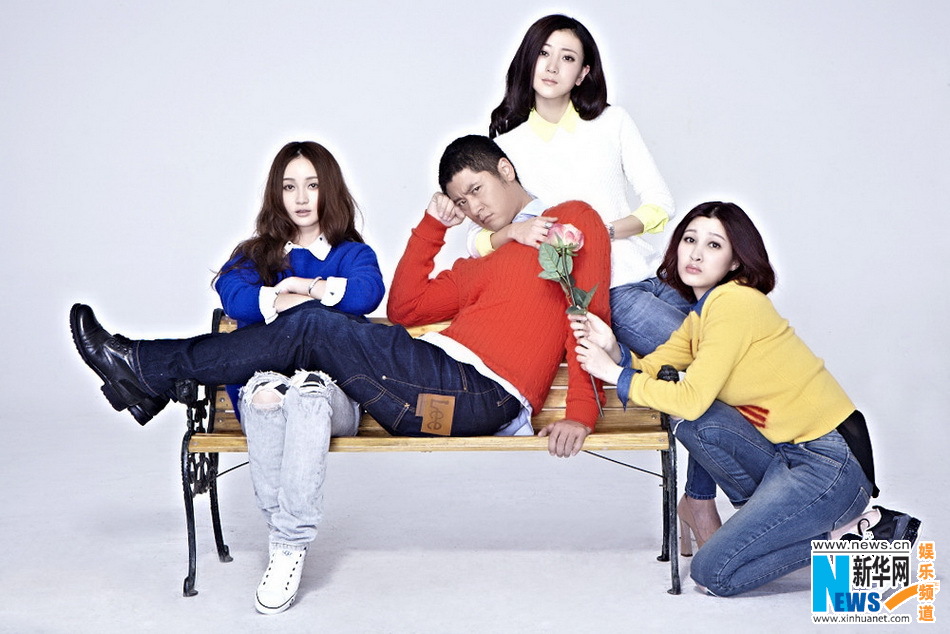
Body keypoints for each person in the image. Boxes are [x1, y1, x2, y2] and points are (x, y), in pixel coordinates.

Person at [70, 135, 611, 605]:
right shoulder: (486, 261)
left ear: (506, 170)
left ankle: (145, 370)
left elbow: (589, 316)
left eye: (477, 190)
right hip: (429, 385)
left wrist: (582, 413)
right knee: (313, 325)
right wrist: (433, 226)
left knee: (312, 323)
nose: (473, 208)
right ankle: (147, 375)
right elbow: (406, 308)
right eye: (461, 201)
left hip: (478, 396)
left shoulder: (573, 221)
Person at [569, 201, 920, 596]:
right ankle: (783, 527)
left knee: (713, 573)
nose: (696, 253)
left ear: (735, 261)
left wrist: (614, 374)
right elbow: (657, 367)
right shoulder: (703, 314)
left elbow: (690, 398)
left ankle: (854, 537)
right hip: (787, 455)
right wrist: (614, 350)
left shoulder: (735, 303)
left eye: (714, 245)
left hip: (829, 465)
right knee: (697, 426)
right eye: (689, 240)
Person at [475, 12, 730, 543]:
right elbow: (478, 240)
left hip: (655, 276)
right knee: (710, 366)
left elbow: (659, 205)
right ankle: (701, 504)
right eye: (544, 53)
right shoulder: (508, 148)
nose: (553, 66)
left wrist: (603, 230)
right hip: (608, 293)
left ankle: (699, 499)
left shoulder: (612, 123)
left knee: (719, 366)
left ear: (584, 72)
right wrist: (516, 233)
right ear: (528, 60)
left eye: (567, 57)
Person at [209, 141, 384, 614]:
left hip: (335, 396)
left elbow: (366, 294)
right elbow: (233, 295)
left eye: (312, 185)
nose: (301, 198)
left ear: (330, 190)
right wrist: (290, 300)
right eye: (289, 187)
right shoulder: (254, 254)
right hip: (267, 386)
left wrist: (299, 287)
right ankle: (284, 542)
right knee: (267, 394)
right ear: (276, 193)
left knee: (307, 391)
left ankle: (287, 544)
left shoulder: (352, 254)